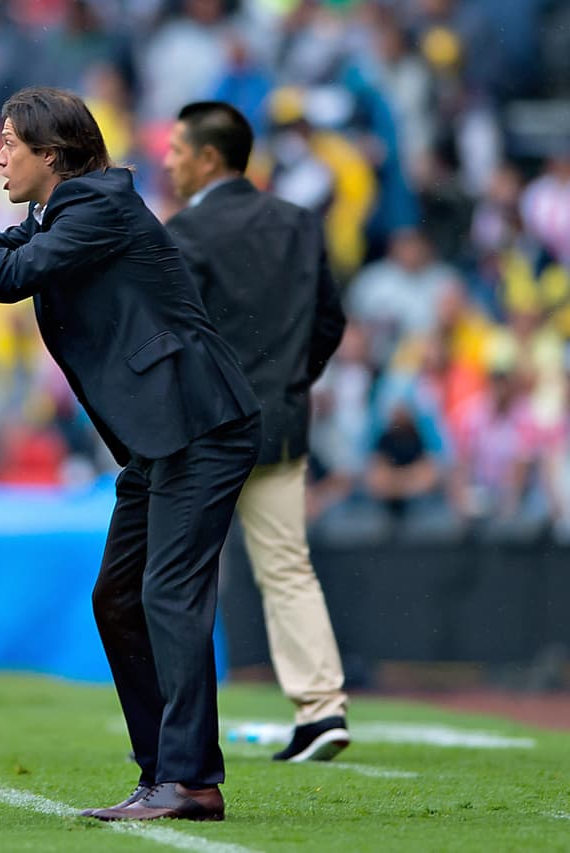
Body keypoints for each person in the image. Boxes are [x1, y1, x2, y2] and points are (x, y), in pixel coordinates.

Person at [0, 86, 260, 823]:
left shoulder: (100, 207)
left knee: (167, 593)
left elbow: (7, 277)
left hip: (198, 423)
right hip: (163, 437)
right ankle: (164, 770)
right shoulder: (62, 211)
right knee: (118, 597)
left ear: (49, 155)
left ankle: (189, 779)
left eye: (9, 144)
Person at [162, 101, 351, 761]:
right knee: (287, 567)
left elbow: (177, 337)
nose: (168, 159)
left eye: (178, 149)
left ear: (209, 157)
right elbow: (330, 319)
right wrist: (291, 384)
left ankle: (175, 732)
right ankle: (321, 707)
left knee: (177, 578)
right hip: (281, 423)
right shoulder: (298, 222)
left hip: (208, 430)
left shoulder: (186, 231)